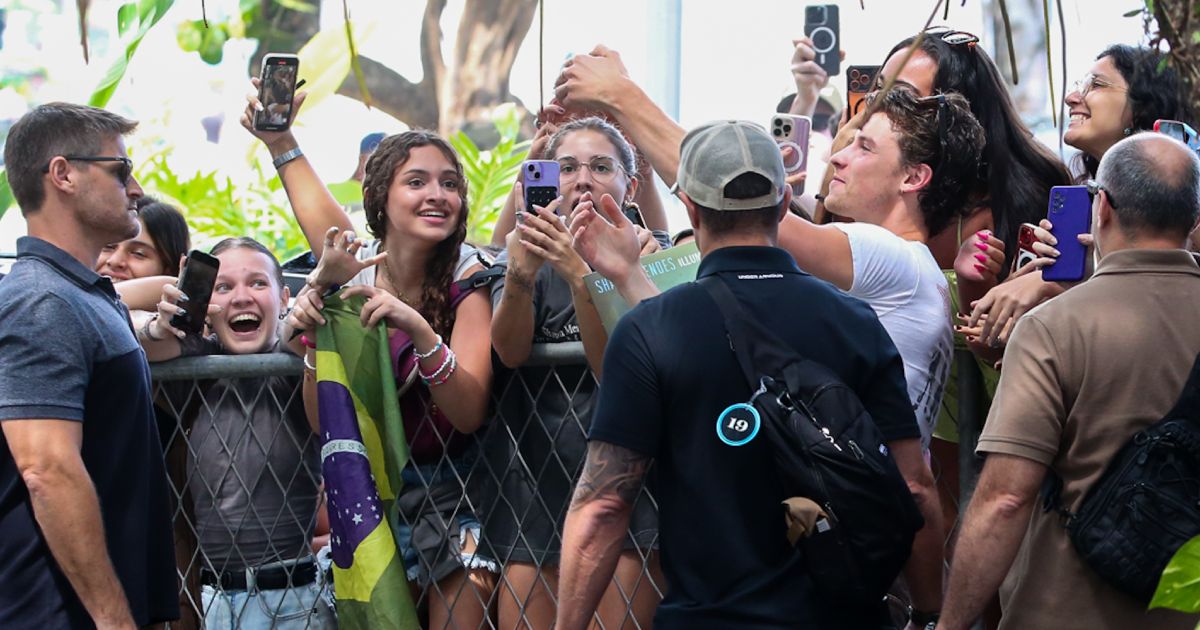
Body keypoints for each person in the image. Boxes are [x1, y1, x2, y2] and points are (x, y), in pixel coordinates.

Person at [557, 120, 928, 629]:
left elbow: (602, 506)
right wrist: (933, 614)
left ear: (689, 206)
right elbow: (915, 485)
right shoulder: (855, 320)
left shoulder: (653, 329)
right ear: (782, 205)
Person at [248, 88, 498, 623]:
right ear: (380, 197)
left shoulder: (468, 273)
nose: (437, 194)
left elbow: (469, 408)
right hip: (373, 488)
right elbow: (325, 421)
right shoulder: (354, 273)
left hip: (459, 489)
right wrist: (319, 335)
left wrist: (418, 329)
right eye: (417, 182)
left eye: (450, 183)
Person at [939, 133, 1200, 630]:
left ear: (1100, 208)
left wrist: (950, 624)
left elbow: (1005, 499)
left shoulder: (1054, 327)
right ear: (1194, 220)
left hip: (1067, 609)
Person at [0, 102, 178, 628]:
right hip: (53, 611)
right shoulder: (42, 302)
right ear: (63, 175)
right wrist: (113, 619)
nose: (137, 188)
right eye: (120, 171)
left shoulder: (83, 295)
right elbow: (47, 470)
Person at [486, 116, 662, 629]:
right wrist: (521, 271)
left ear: (630, 186)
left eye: (601, 166)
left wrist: (581, 274)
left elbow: (614, 366)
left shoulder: (655, 256)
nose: (582, 179)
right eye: (566, 167)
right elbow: (510, 350)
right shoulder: (523, 252)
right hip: (532, 491)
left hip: (631, 496)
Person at [137, 237, 334, 629]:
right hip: (215, 600)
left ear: (284, 297)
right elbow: (129, 326)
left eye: (258, 283)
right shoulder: (196, 361)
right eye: (222, 287)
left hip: (294, 598)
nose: (241, 297)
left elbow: (296, 336)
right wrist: (162, 322)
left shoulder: (290, 361)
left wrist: (307, 306)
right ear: (205, 308)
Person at [965, 44, 1193, 348]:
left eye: (1096, 85)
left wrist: (1061, 282)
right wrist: (1020, 284)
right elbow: (987, 344)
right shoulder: (1076, 200)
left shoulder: (1189, 201)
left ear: (1144, 103)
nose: (1072, 98)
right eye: (1078, 87)